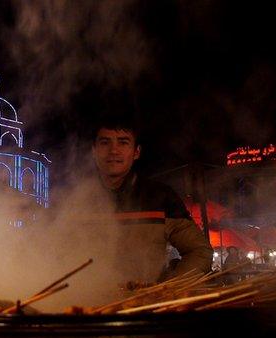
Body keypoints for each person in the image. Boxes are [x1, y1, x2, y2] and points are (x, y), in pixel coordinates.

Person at [89, 118, 213, 284]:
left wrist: (171, 289)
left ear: (136, 152)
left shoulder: (160, 196)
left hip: (144, 304)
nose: (114, 150)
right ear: (94, 151)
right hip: (84, 303)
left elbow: (199, 250)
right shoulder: (72, 201)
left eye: (123, 142)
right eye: (105, 142)